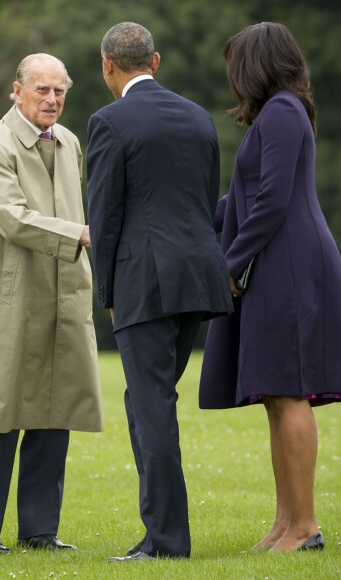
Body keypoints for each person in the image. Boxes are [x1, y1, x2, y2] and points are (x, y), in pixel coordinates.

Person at [87, 22, 233, 561]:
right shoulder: (199, 117)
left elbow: (103, 217)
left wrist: (106, 291)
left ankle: (167, 543)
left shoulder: (109, 121)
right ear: (156, 60)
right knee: (148, 402)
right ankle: (159, 534)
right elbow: (204, 199)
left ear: (108, 65)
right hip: (198, 276)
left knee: (151, 408)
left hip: (144, 282)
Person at [200, 22, 341, 553]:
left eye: (236, 65)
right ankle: (286, 524)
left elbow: (273, 201)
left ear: (257, 63)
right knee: (276, 396)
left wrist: (230, 266)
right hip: (277, 263)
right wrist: (188, 217)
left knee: (290, 391)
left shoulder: (282, 112)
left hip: (289, 266)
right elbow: (242, 200)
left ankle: (305, 527)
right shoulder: (277, 114)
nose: (233, 78)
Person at [0, 53, 103, 555]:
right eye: (41, 89)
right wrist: (80, 235)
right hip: (8, 295)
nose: (52, 99)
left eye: (60, 90)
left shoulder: (70, 143)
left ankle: (40, 531)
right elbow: (11, 217)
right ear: (15, 91)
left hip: (63, 292)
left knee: (54, 410)